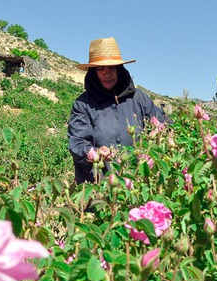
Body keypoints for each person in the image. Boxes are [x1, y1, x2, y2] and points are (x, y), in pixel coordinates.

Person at [67, 37, 167, 184]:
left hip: (138, 183)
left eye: (112, 67)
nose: (107, 73)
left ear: (119, 69)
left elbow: (163, 124)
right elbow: (77, 143)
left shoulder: (138, 98)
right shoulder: (83, 104)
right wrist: (96, 152)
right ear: (93, 72)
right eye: (101, 69)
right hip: (99, 186)